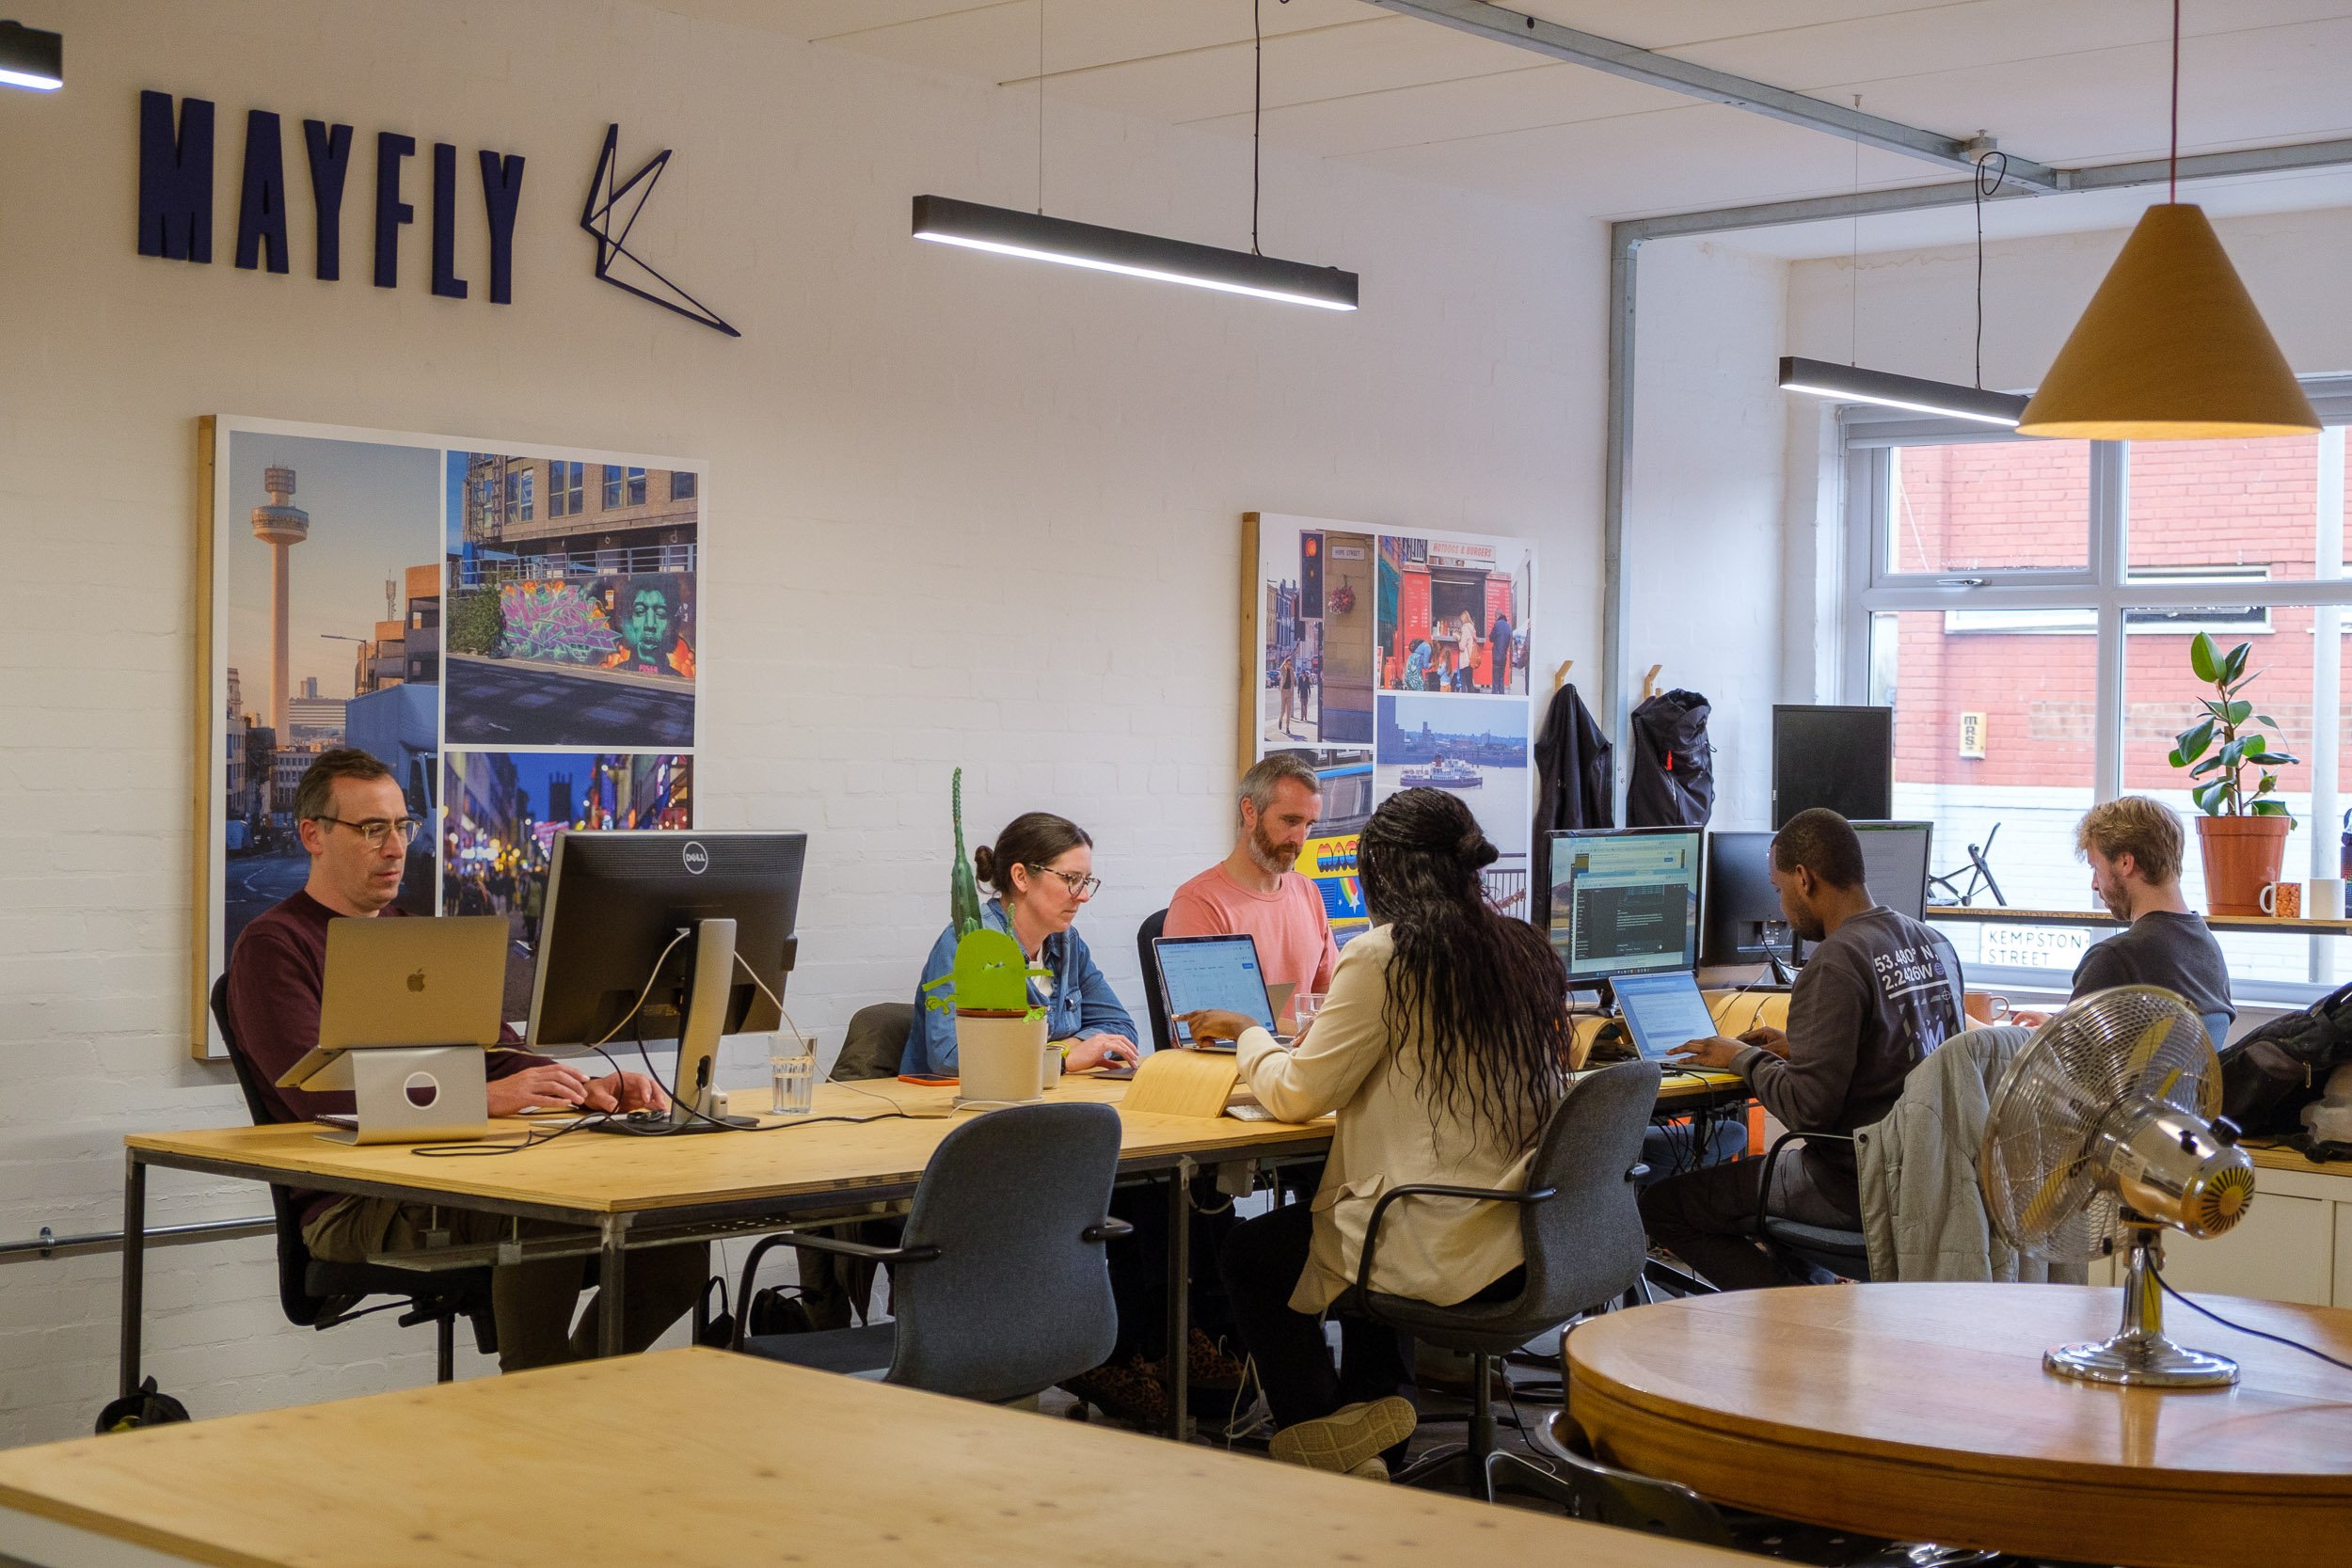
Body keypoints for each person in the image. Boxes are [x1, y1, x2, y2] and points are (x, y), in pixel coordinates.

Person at [224, 749, 706, 1372]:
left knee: (675, 1236)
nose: (395, 846)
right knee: (539, 1211)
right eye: (373, 829)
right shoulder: (273, 945)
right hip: (353, 1200)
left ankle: (565, 1391)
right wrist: (483, 1099)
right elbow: (323, 1097)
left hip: (449, 1173)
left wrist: (585, 1086)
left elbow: (497, 1048)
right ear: (312, 834)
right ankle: (538, 1396)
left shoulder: (412, 930)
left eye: (403, 826)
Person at [1189, 788, 1572, 1481]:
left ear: (1380, 873)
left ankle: (1324, 1432)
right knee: (1348, 1218)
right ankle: (1375, 1428)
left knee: (1256, 1252)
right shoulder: (1521, 947)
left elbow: (1298, 1093)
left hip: (1442, 1236)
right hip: (1530, 1233)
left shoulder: (1384, 956)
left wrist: (1249, 1032)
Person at [1639, 808, 1960, 1291]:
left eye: (1779, 888)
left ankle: (1794, 1313)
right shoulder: (1934, 943)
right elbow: (1903, 1053)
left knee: (1664, 1207)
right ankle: (1810, 1310)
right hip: (1926, 1177)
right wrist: (1800, 1048)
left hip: (1855, 1185)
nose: (1781, 905)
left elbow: (1808, 1111)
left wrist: (1742, 1058)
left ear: (1804, 879)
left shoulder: (1835, 961)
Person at [900, 811, 1137, 1075]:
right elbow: (949, 1057)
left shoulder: (1068, 944)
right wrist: (1060, 1059)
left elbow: (1121, 1028)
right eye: (1071, 879)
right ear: (1021, 877)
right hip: (960, 1109)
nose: (1083, 896)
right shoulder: (969, 943)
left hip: (1050, 1098)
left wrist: (1061, 1051)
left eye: (1087, 881)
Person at [1165, 754, 1339, 1029]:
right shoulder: (1199, 902)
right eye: (1290, 821)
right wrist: (1311, 1035)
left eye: (1309, 825)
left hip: (1304, 1062)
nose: (1299, 838)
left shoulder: (1308, 892)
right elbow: (1206, 1025)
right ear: (1250, 811)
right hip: (1239, 1067)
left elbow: (1330, 1000)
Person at [2072, 797, 2233, 1033]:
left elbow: (2065, 1061)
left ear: (2125, 862)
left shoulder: (2115, 959)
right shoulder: (2208, 949)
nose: (2095, 885)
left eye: (2096, 868)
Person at [1487, 609, 1514, 695]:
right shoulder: (1508, 626)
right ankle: (1502, 696)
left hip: (1496, 657)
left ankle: (1494, 699)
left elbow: (1491, 638)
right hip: (1504, 657)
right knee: (1501, 679)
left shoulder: (1497, 624)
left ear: (1497, 616)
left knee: (1495, 680)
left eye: (1495, 617)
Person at [1277, 652, 1295, 736]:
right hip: (1283, 691)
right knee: (1283, 710)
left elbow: (1293, 682)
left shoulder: (1292, 670)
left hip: (1289, 692)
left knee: (1288, 711)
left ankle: (1287, 727)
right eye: (1288, 664)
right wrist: (1285, 660)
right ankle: (1280, 720)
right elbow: (1280, 668)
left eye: (1290, 664)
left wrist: (1292, 691)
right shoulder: (1283, 670)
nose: (1289, 665)